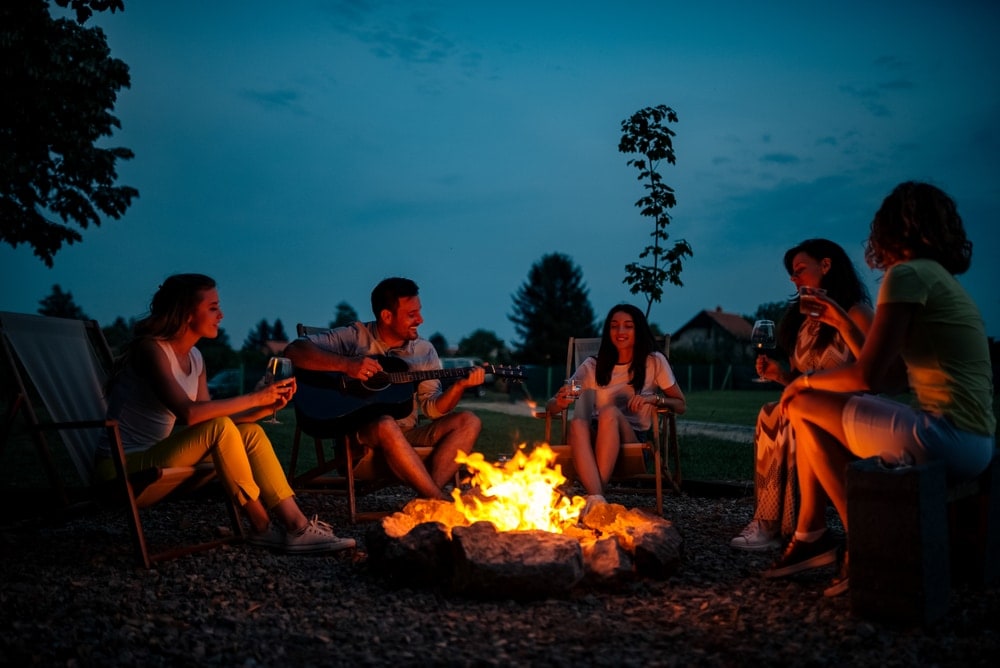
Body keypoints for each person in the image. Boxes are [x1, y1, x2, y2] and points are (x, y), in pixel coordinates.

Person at [763, 181, 996, 597]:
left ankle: (859, 542)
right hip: (975, 441)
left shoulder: (906, 275)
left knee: (801, 405)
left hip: (943, 437)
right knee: (806, 406)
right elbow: (893, 379)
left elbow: (869, 379)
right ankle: (812, 532)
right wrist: (841, 324)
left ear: (890, 228)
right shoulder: (938, 278)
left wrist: (802, 382)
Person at [95, 274, 355, 554]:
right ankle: (261, 526)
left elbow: (207, 420)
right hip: (121, 467)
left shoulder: (195, 357)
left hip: (156, 452)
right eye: (212, 307)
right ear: (186, 312)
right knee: (221, 428)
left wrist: (262, 408)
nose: (221, 314)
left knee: (251, 433)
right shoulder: (151, 349)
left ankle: (297, 526)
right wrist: (254, 396)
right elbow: (190, 414)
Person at [283, 277, 484, 500]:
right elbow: (295, 351)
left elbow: (432, 410)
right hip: (362, 441)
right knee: (386, 423)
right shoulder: (355, 337)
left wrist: (459, 386)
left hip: (408, 436)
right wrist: (347, 365)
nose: (420, 319)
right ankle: (438, 499)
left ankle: (428, 499)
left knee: (469, 421)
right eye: (411, 314)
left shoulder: (425, 350)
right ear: (387, 316)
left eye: (419, 312)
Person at [731, 239, 874, 551]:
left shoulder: (856, 313)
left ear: (826, 265)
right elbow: (802, 382)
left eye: (799, 271)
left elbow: (871, 376)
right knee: (773, 410)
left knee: (779, 412)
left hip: (850, 411)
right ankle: (777, 522)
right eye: (792, 275)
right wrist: (782, 376)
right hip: (810, 407)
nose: (794, 280)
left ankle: (781, 525)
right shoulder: (803, 325)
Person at [547, 304, 686, 500]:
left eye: (628, 326)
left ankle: (596, 494)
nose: (620, 331)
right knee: (578, 423)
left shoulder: (654, 363)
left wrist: (654, 399)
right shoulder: (594, 367)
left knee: (608, 412)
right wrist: (561, 402)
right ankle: (597, 500)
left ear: (638, 329)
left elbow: (680, 405)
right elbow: (553, 404)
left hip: (633, 444)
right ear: (608, 330)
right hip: (595, 443)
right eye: (614, 326)